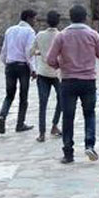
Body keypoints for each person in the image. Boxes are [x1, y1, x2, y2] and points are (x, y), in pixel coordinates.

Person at [46, 4, 99, 164]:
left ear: (70, 17)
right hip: (88, 81)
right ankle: (89, 144)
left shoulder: (62, 36)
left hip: (68, 81)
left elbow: (50, 59)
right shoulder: (92, 35)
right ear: (85, 17)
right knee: (89, 113)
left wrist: (60, 64)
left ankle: (68, 152)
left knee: (68, 116)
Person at [0, 9, 37, 134]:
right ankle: (20, 123)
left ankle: (2, 115)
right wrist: (33, 69)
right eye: (34, 19)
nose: (35, 21)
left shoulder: (10, 30)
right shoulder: (30, 31)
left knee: (9, 95)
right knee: (23, 96)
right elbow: (28, 52)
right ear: (29, 18)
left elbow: (4, 50)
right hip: (22, 67)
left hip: (10, 65)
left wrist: (6, 63)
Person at [29, 10, 63, 142]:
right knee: (61, 100)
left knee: (43, 103)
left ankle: (41, 133)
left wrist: (41, 53)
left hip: (42, 72)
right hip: (57, 73)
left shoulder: (40, 35)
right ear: (58, 22)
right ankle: (54, 124)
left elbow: (30, 52)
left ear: (47, 21)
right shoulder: (61, 35)